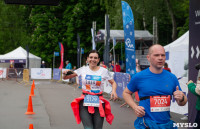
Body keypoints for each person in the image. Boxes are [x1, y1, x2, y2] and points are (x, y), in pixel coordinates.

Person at [123, 44, 187, 128]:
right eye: (156, 55)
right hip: (146, 124)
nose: (160, 58)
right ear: (148, 57)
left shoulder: (172, 77)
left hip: (166, 124)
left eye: (163, 55)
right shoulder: (139, 77)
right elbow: (126, 93)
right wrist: (135, 107)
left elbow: (183, 102)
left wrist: (182, 98)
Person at [63, 50, 118, 129]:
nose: (93, 59)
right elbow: (66, 77)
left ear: (98, 60)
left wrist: (114, 91)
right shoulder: (82, 69)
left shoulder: (104, 71)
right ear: (87, 59)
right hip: (85, 101)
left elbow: (113, 83)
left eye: (95, 58)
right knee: (88, 127)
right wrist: (64, 73)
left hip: (99, 102)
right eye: (91, 57)